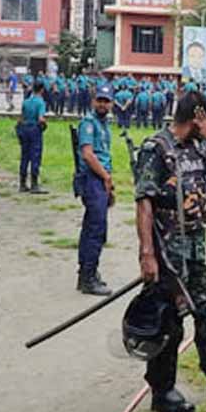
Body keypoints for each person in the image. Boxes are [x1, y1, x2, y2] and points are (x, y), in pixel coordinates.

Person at [133, 90, 206, 412]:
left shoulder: (200, 147)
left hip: (195, 251)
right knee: (168, 322)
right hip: (167, 252)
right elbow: (144, 203)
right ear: (197, 116)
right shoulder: (156, 148)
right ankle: (162, 392)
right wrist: (147, 254)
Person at [76, 85, 116, 296]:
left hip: (100, 178)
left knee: (93, 227)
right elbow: (88, 154)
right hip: (93, 178)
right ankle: (88, 278)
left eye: (106, 101)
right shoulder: (89, 123)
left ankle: (87, 272)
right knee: (95, 229)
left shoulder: (103, 124)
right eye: (99, 100)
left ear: (111, 103)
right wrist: (105, 177)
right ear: (93, 102)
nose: (102, 104)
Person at [17, 82, 47, 193]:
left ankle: (22, 183)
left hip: (24, 129)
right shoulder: (40, 102)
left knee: (24, 156)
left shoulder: (26, 101)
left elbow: (21, 118)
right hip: (34, 130)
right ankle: (34, 184)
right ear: (42, 90)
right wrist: (44, 124)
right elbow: (40, 118)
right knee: (35, 155)